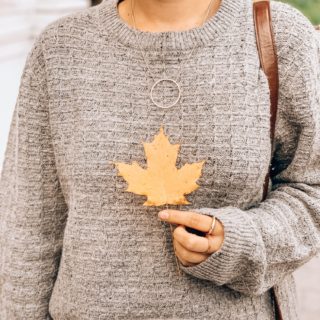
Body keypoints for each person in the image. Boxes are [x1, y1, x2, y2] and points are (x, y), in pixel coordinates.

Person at [0, 0, 320, 319]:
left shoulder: (280, 36)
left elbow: (312, 190)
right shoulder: (59, 49)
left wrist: (242, 241)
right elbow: (27, 229)